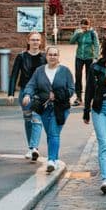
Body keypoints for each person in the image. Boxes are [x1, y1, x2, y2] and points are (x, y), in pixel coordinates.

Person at [21, 45, 77, 173]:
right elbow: (31, 85)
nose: (52, 57)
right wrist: (27, 95)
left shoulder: (65, 71)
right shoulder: (39, 71)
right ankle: (55, 159)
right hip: (44, 108)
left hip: (60, 108)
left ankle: (51, 160)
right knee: (50, 134)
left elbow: (71, 90)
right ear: (46, 56)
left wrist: (57, 95)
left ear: (58, 57)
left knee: (54, 133)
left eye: (55, 55)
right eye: (50, 54)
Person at [83, 35, 106, 194]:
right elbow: (89, 89)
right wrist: (86, 110)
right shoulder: (96, 67)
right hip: (100, 108)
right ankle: (105, 179)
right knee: (104, 144)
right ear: (105, 48)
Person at [7, 31, 47, 161]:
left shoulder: (44, 57)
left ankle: (34, 148)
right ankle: (31, 148)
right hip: (25, 92)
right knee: (28, 120)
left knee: (37, 118)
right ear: (28, 41)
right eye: (33, 40)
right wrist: (11, 93)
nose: (35, 42)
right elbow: (14, 75)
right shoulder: (21, 57)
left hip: (39, 93)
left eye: (37, 40)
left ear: (40, 42)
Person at [69, 18, 99, 103]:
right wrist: (77, 34)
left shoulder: (92, 33)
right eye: (82, 27)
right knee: (78, 77)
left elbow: (96, 45)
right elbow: (71, 42)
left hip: (89, 57)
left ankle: (88, 96)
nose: (84, 29)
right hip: (79, 57)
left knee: (89, 78)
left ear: (89, 26)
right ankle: (78, 97)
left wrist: (96, 57)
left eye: (86, 27)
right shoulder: (78, 32)